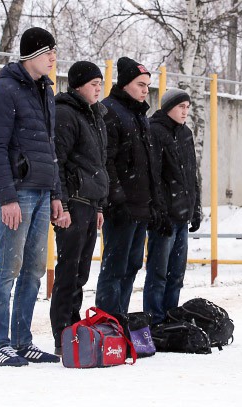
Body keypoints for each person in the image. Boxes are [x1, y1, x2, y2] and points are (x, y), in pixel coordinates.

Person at [0, 27, 63, 366]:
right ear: (32, 54)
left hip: (44, 193)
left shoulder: (46, 91)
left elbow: (51, 147)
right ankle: (0, 344)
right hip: (19, 193)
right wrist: (7, 197)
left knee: (34, 270)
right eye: (49, 52)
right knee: (8, 268)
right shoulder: (3, 90)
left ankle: (22, 340)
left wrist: (56, 194)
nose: (53, 58)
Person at [49, 61, 108, 355]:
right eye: (93, 83)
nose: (98, 88)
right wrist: (62, 205)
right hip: (72, 204)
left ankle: (73, 326)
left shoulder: (95, 116)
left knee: (81, 273)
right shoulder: (66, 113)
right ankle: (62, 332)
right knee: (68, 271)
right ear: (77, 85)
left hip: (89, 203)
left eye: (100, 83)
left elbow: (97, 164)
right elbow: (57, 161)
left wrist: (99, 206)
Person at [95, 57, 161, 315]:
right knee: (115, 266)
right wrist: (116, 199)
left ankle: (119, 318)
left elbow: (148, 165)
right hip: (121, 207)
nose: (145, 90)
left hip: (140, 206)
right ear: (125, 85)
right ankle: (107, 322)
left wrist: (154, 201)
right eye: (140, 84)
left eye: (147, 85)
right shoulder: (109, 111)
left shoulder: (140, 115)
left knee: (132, 264)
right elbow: (107, 159)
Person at [144, 88, 202, 324]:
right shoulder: (155, 131)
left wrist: (195, 208)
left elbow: (191, 175)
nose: (185, 111)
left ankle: (170, 317)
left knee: (176, 274)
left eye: (187, 107)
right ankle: (154, 319)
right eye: (180, 107)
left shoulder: (186, 134)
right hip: (164, 217)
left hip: (182, 215)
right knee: (158, 272)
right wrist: (160, 212)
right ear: (168, 108)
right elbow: (154, 177)